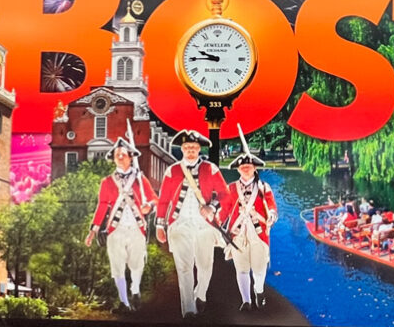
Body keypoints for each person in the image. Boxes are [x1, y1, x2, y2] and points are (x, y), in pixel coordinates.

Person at [156, 130, 231, 319]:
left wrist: (212, 208)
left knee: (205, 265)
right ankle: (188, 310)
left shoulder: (210, 168)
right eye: (187, 147)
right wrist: (159, 224)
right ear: (182, 149)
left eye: (194, 147)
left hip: (204, 225)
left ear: (199, 149)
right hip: (180, 224)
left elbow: (225, 195)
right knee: (184, 267)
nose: (190, 150)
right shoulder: (172, 170)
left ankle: (201, 294)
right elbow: (163, 199)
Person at [85, 137, 157, 312]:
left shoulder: (141, 180)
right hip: (115, 229)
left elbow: (154, 199)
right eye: (117, 155)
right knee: (117, 267)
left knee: (137, 264)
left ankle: (135, 290)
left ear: (131, 157)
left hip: (137, 227)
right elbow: (102, 205)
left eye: (123, 155)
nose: (120, 157)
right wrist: (93, 230)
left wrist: (150, 206)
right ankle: (124, 302)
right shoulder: (107, 182)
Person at [219, 142, 277, 312]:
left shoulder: (263, 187)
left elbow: (271, 206)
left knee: (259, 269)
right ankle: (246, 301)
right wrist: (216, 221)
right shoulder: (231, 188)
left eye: (248, 166)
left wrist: (272, 216)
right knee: (242, 269)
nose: (245, 169)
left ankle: (259, 291)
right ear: (238, 170)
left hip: (259, 234)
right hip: (238, 235)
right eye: (243, 167)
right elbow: (225, 210)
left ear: (254, 168)